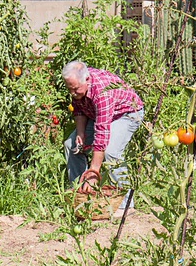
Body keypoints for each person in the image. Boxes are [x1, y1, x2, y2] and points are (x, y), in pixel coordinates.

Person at [62, 61, 144, 214]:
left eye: (75, 89)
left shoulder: (102, 91)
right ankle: (80, 194)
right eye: (70, 89)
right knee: (70, 145)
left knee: (111, 152)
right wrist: (80, 133)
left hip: (127, 114)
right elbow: (79, 108)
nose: (73, 93)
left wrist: (94, 171)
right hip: (97, 114)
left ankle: (126, 205)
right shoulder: (78, 84)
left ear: (87, 80)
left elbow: (102, 132)